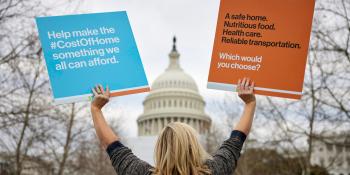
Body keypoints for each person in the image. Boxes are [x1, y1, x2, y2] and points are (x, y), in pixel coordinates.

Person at [90, 77, 256, 175]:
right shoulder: (216, 170)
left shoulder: (139, 172)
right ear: (194, 146)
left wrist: (96, 109)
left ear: (160, 148)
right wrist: (249, 104)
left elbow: (111, 145)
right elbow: (236, 140)